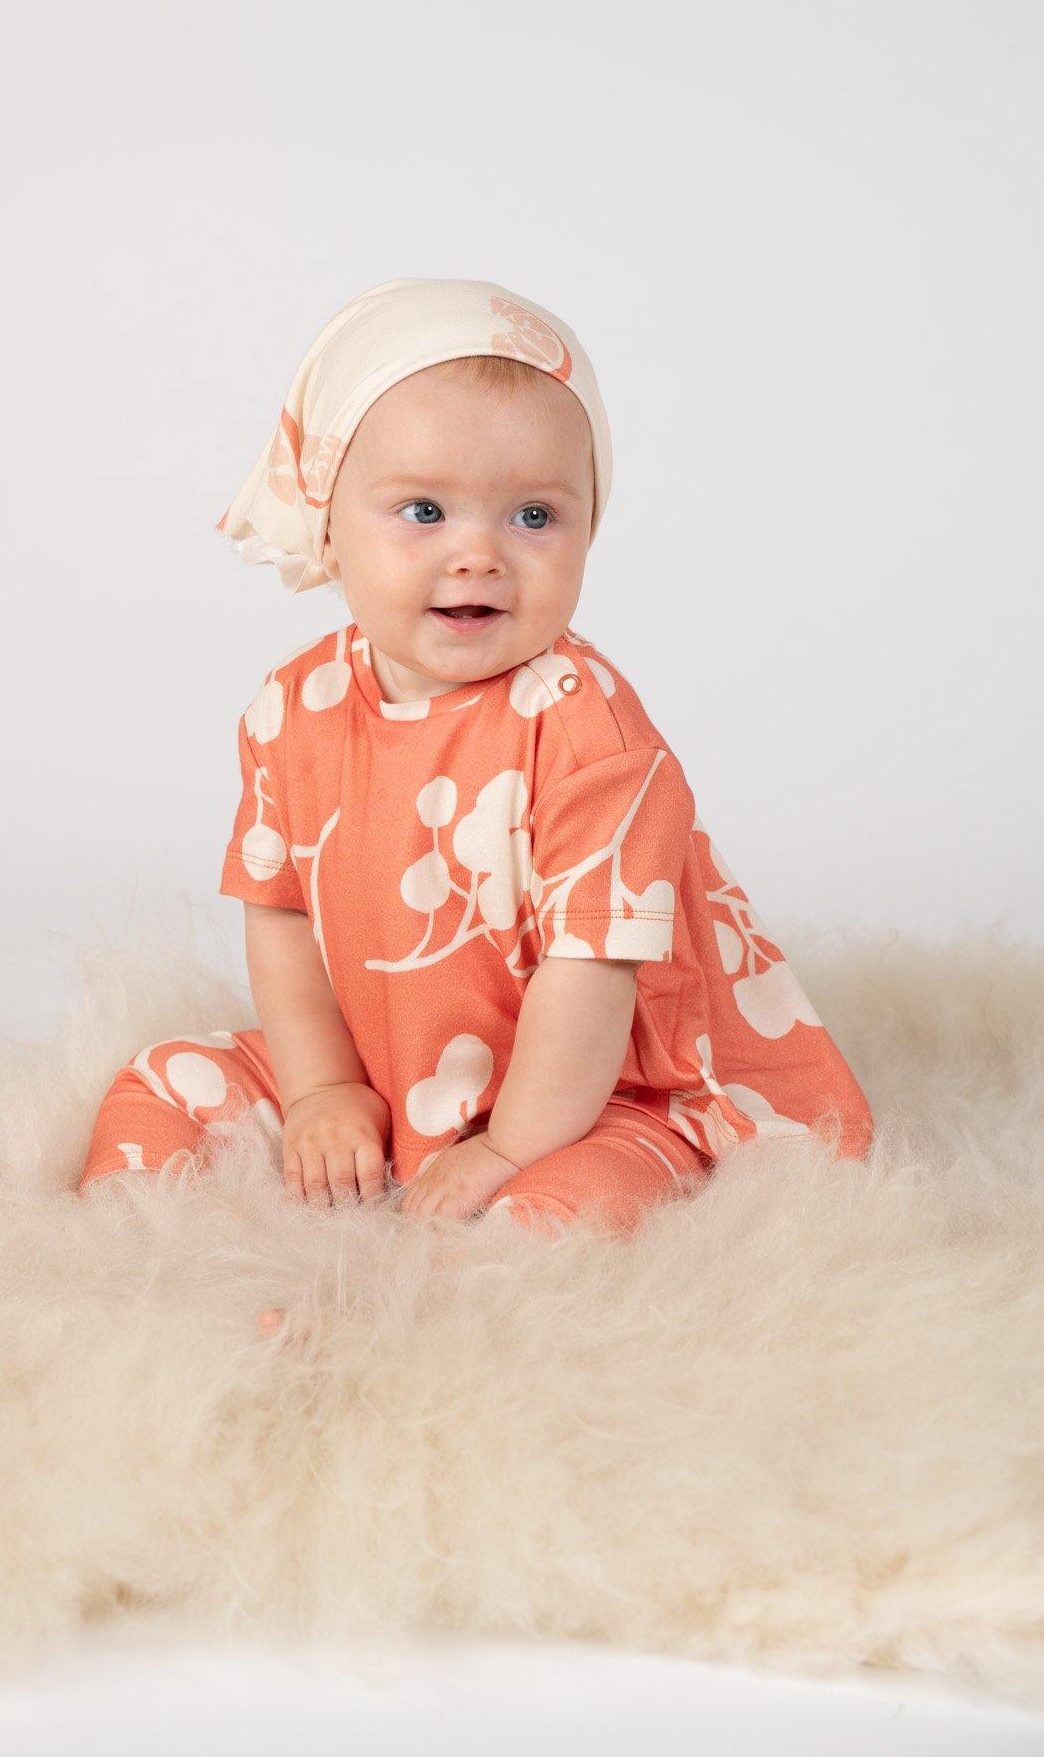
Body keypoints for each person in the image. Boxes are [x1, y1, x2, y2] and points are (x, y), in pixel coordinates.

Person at [76, 277, 874, 1330]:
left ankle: (399, 1321)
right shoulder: (292, 706)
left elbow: (590, 976)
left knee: (558, 1209)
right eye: (423, 510)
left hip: (598, 1088)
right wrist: (322, 1090)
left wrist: (505, 1149)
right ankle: (138, 1262)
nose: (479, 553)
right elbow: (280, 913)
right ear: (328, 524)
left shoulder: (590, 737)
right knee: (159, 1079)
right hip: (389, 1055)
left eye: (535, 515)